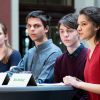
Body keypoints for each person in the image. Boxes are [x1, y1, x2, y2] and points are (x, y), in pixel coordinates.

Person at [7, 10, 62, 83]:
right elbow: (15, 72)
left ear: (46, 29)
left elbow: (42, 82)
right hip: (27, 93)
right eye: (29, 26)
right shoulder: (30, 52)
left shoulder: (54, 53)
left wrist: (21, 77)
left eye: (36, 26)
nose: (32, 29)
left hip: (43, 94)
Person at [63, 6, 100, 100]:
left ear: (97, 26)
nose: (78, 29)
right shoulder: (90, 51)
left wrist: (79, 84)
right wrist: (76, 81)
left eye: (83, 24)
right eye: (78, 24)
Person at [54, 13, 88, 99]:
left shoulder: (89, 56)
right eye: (62, 31)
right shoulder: (59, 60)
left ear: (78, 31)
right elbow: (57, 89)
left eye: (69, 30)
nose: (65, 35)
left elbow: (90, 91)